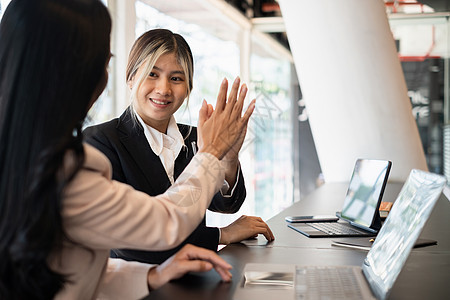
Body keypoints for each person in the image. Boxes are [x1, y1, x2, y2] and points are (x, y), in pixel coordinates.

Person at [0, 0, 256, 299]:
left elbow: (64, 265)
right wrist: (211, 153)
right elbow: (158, 225)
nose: (164, 88)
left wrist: (153, 275)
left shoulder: (29, 155)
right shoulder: (82, 157)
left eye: (176, 78)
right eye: (101, 63)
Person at [84, 29, 275, 264]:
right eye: (152, 74)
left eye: (176, 78)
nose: (164, 89)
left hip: (193, 280)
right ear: (131, 78)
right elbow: (128, 242)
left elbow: (225, 204)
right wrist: (221, 235)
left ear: (188, 88)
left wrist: (228, 159)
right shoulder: (100, 141)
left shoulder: (195, 137)